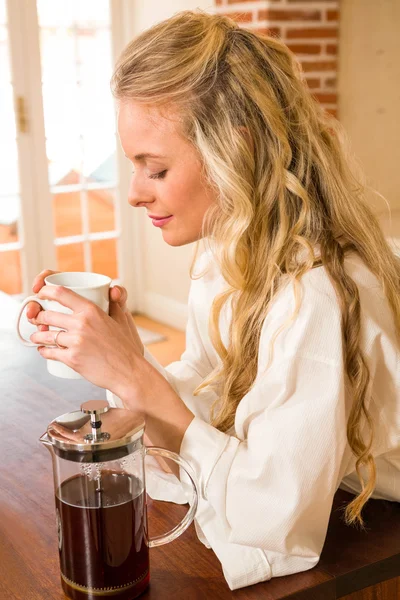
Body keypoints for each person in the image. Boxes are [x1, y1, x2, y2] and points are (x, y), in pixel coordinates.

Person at [27, 10, 400, 591]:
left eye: (156, 167)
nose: (132, 192)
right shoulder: (232, 249)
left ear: (236, 146)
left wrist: (133, 376)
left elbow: (272, 518)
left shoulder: (320, 297)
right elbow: (210, 412)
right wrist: (126, 362)